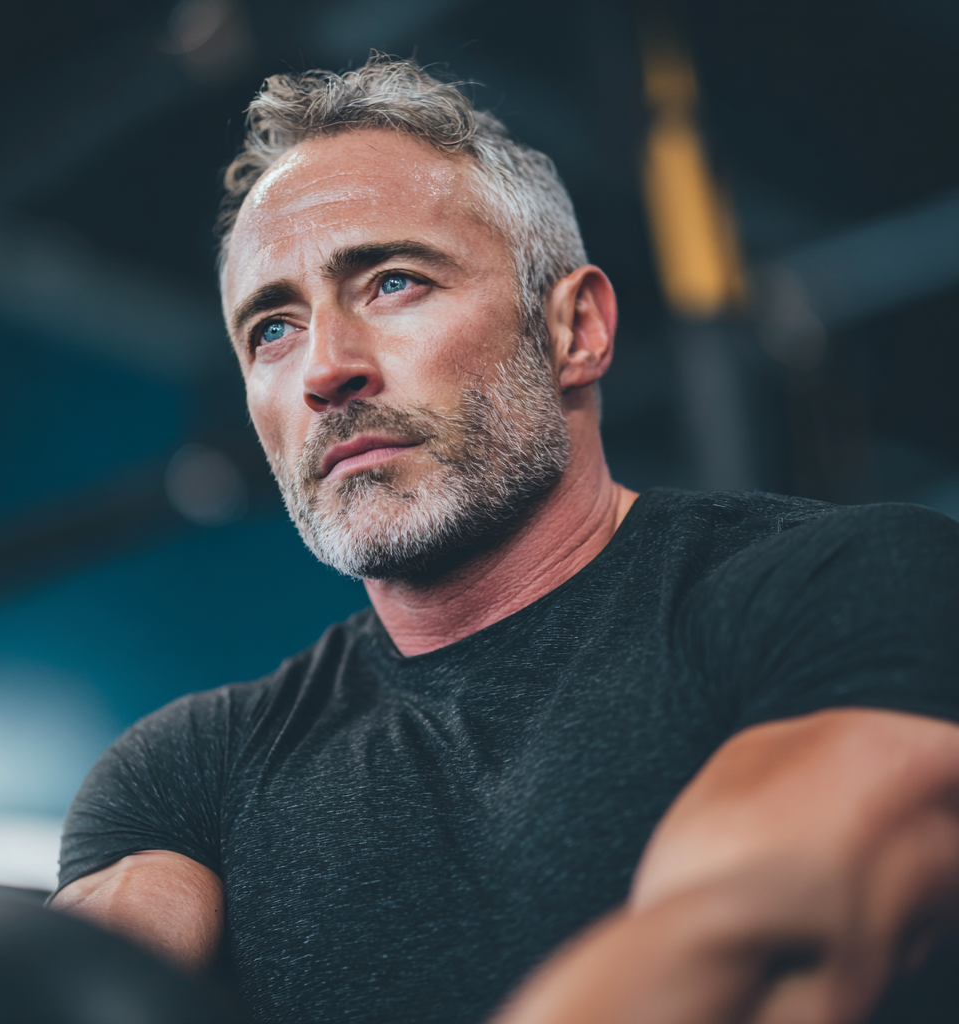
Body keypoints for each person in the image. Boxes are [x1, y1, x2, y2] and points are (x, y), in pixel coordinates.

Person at [51, 58, 959, 1024]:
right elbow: (54, 994)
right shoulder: (193, 770)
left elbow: (758, 930)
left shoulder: (840, 586)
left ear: (575, 330)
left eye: (394, 282)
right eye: (272, 329)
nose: (324, 369)